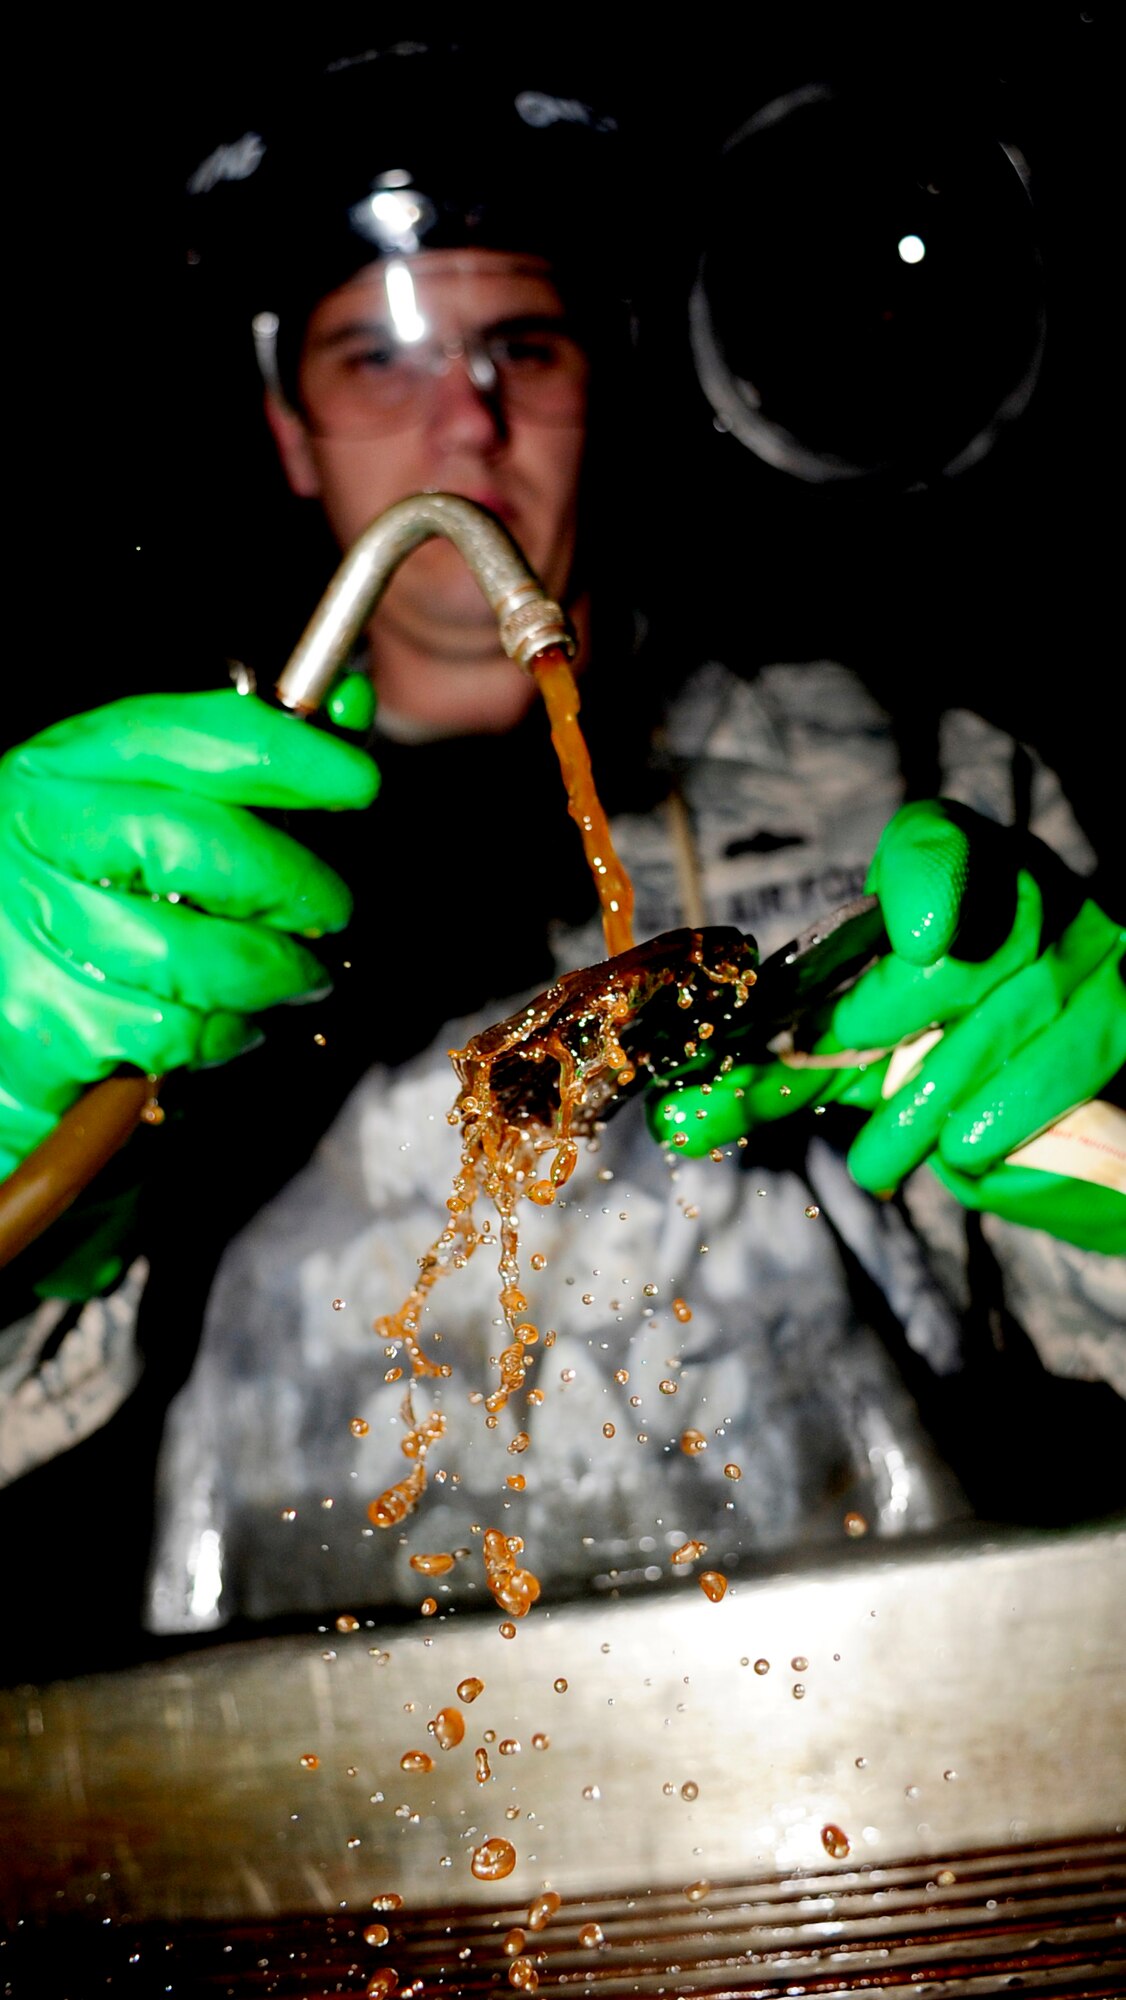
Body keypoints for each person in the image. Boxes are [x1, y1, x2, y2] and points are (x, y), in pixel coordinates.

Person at [0, 44, 1122, 1678]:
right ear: (288, 429)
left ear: (607, 376)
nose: (466, 421)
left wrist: (1109, 1136)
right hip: (283, 1841)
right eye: (377, 361)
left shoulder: (915, 778)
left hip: (854, 1778)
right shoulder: (143, 878)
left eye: (520, 346)